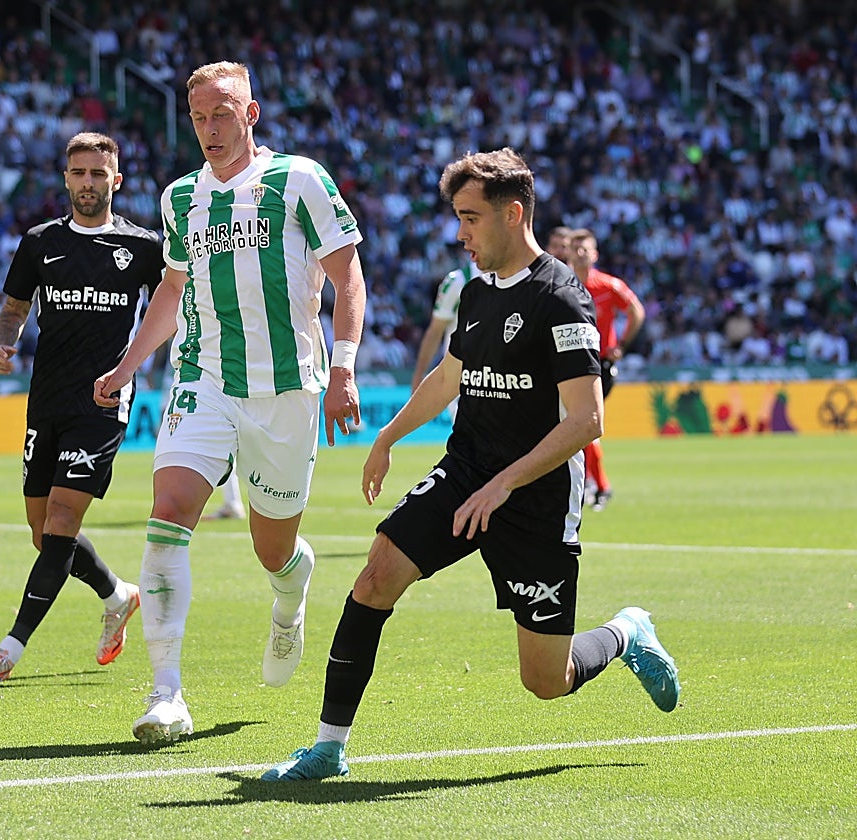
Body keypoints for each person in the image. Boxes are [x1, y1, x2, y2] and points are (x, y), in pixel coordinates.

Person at [262, 148, 679, 782]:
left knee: (546, 680)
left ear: (513, 215)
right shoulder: (479, 291)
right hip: (464, 475)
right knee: (375, 576)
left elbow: (586, 421)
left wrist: (505, 484)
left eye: (470, 218)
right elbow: (454, 373)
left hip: (533, 496)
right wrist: (389, 436)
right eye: (458, 218)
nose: (461, 234)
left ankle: (625, 632)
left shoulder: (562, 300)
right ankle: (328, 747)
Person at [94, 61, 367, 745]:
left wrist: (344, 369)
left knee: (272, 548)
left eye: (222, 114)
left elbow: (347, 275)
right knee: (169, 512)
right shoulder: (180, 197)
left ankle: (289, 589)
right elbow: (171, 287)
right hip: (203, 376)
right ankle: (166, 695)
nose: (209, 129)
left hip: (286, 388)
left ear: (250, 114)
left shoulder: (299, 180)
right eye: (198, 118)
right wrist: (130, 363)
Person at [0, 132, 165, 688]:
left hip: (102, 403)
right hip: (45, 400)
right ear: (66, 178)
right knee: (43, 533)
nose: (88, 183)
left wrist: (144, 364)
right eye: (79, 173)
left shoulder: (143, 247)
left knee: (60, 522)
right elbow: (13, 309)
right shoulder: (39, 242)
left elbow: (173, 308)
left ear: (116, 181)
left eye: (99, 174)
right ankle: (117, 594)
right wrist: (5, 340)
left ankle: (8, 650)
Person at [567, 228, 646, 511]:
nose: (578, 253)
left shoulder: (608, 286)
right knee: (577, 424)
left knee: (584, 423)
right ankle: (591, 484)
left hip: (599, 364)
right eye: (574, 248)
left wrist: (621, 345)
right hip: (566, 364)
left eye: (583, 248)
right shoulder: (562, 284)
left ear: (594, 254)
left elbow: (636, 311)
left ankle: (596, 484)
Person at [410, 251, 477, 391]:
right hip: (462, 382)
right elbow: (435, 331)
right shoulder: (459, 280)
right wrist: (419, 376)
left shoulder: (517, 277)